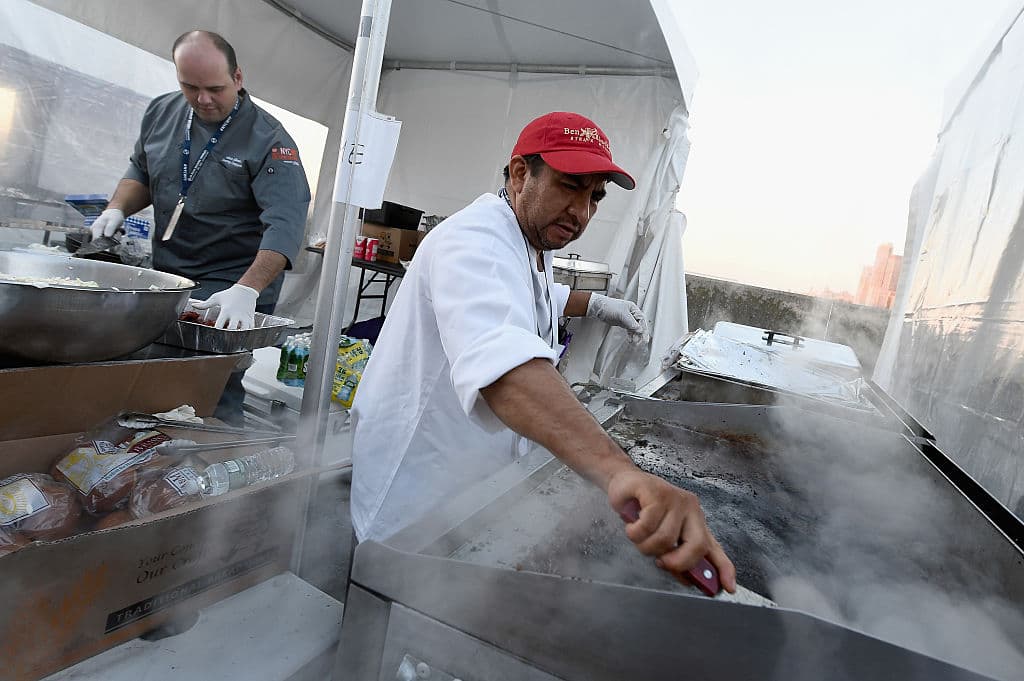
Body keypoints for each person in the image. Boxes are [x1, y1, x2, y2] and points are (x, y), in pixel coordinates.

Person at [351, 111, 736, 592]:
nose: (581, 211)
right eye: (569, 185)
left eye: (594, 196)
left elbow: (538, 295)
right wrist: (619, 473)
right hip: (414, 491)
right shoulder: (472, 240)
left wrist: (597, 304)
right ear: (519, 174)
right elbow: (504, 364)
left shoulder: (530, 239)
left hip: (465, 491)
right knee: (387, 611)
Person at [90, 30, 310, 424]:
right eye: (190, 86)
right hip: (169, 271)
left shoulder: (270, 139)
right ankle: (151, 458)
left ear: (238, 78)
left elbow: (287, 222)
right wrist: (116, 209)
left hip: (233, 280)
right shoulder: (162, 112)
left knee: (213, 379)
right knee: (154, 370)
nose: (203, 99)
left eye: (215, 88)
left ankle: (216, 463)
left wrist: (247, 290)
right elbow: (142, 170)